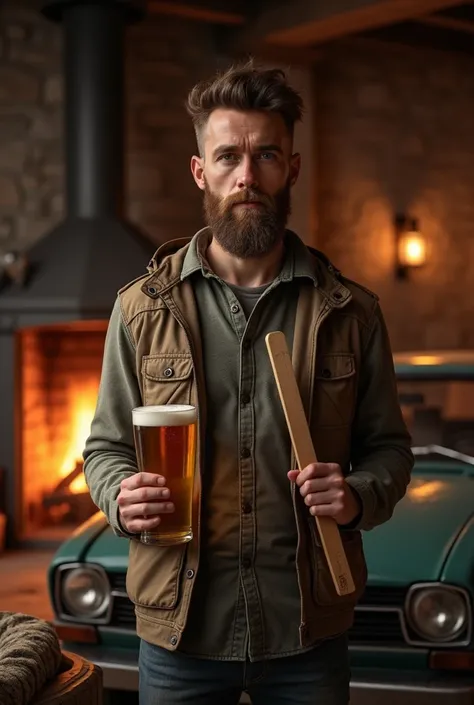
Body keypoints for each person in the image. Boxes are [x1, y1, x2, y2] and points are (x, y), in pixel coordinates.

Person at [83, 60, 413, 705]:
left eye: (266, 155)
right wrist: (119, 495)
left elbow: (390, 451)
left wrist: (356, 494)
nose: (247, 175)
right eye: (228, 155)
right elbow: (103, 449)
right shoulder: (141, 308)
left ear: (292, 167)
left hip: (306, 631)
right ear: (200, 170)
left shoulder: (352, 311)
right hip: (180, 633)